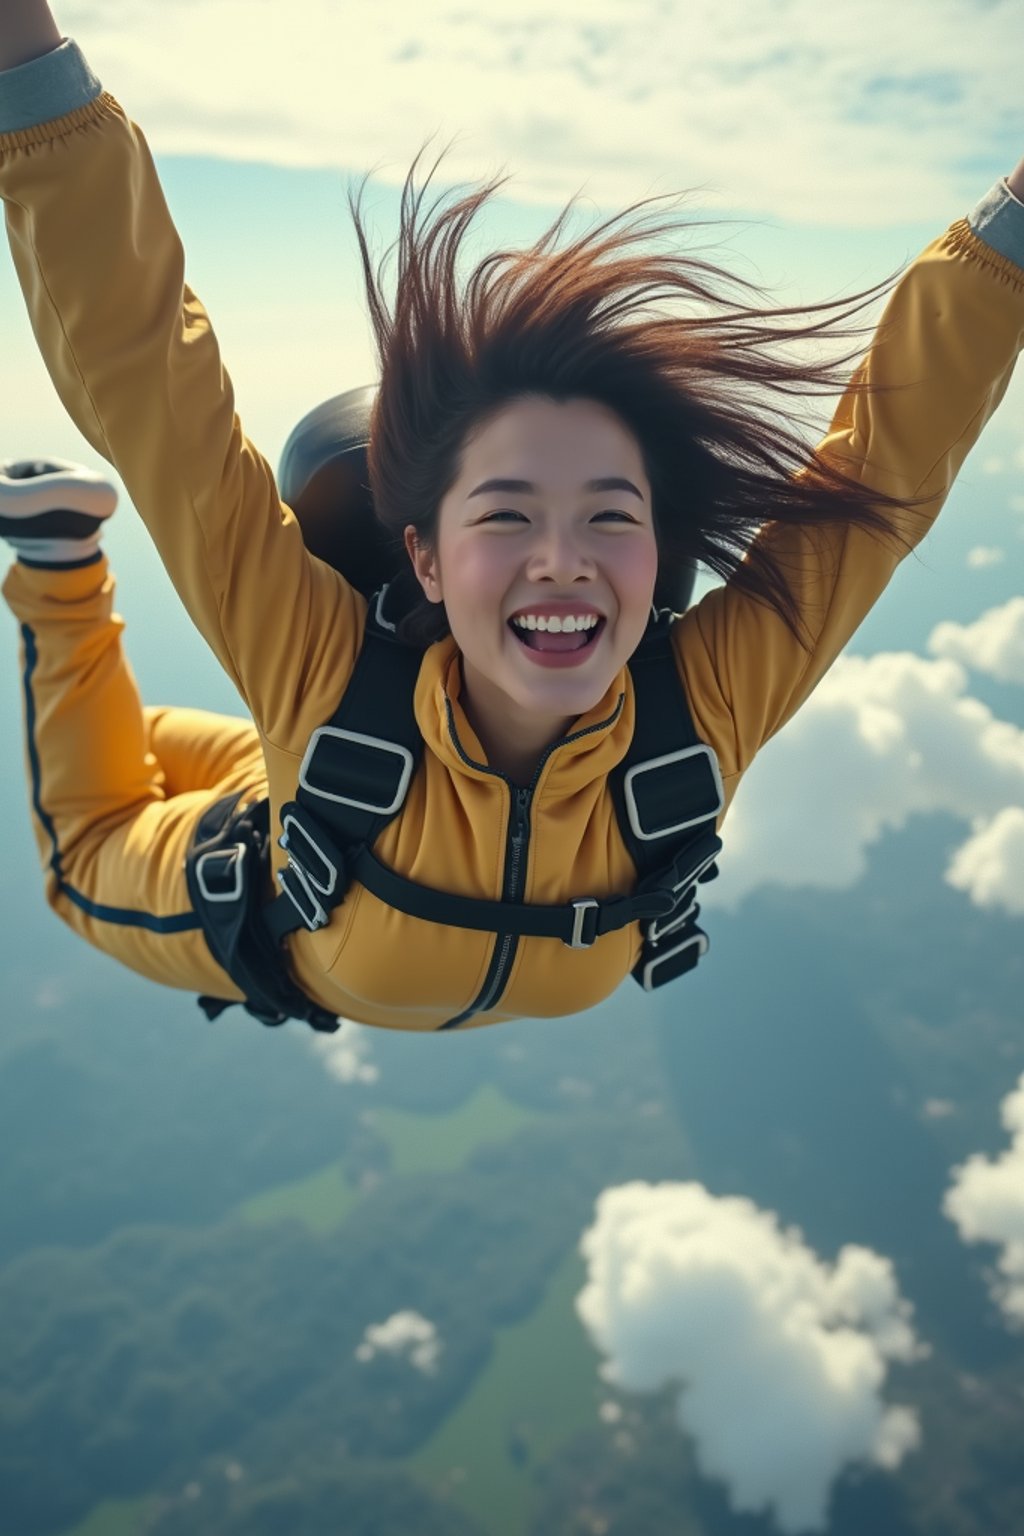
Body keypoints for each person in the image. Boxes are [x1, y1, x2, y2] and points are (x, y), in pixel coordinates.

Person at [2, 5, 1023, 1035]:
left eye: (609, 515)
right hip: (263, 837)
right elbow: (157, 397)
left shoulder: (698, 709)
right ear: (425, 560)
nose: (562, 560)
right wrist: (32, 76)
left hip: (294, 767)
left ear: (658, 553)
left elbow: (885, 465)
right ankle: (58, 567)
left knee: (187, 749)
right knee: (85, 842)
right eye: (505, 515)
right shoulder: (318, 675)